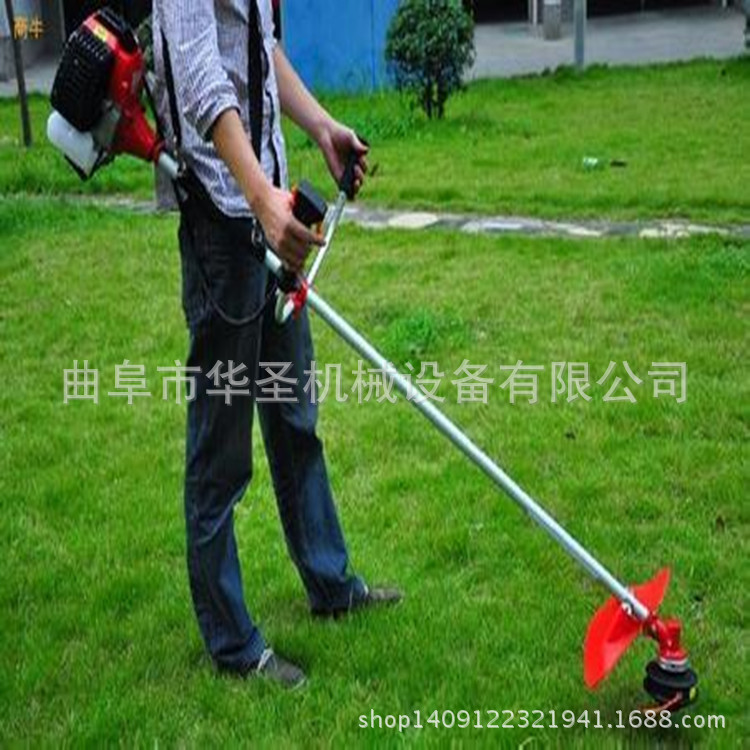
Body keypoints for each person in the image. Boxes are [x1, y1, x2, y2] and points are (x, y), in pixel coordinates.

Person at [152, 0, 401, 689]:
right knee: (221, 449)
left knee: (294, 419)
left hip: (272, 212)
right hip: (223, 219)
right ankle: (233, 645)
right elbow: (200, 77)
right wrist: (260, 198)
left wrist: (319, 126)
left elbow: (258, 45)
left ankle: (331, 584)